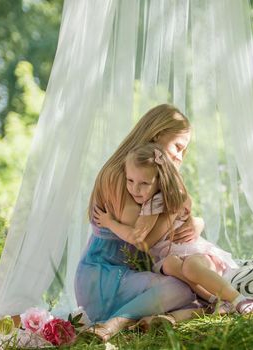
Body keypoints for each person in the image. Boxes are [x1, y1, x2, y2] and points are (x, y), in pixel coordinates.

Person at [75, 104, 205, 341]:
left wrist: (196, 223)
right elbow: (143, 241)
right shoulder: (123, 175)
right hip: (102, 280)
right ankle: (116, 323)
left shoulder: (144, 174)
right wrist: (176, 211)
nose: (179, 156)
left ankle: (145, 321)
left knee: (198, 285)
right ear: (157, 135)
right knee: (182, 288)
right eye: (178, 147)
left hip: (128, 275)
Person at [93, 143, 253, 317]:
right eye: (130, 180)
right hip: (172, 258)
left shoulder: (156, 202)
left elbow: (137, 237)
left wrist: (109, 223)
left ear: (159, 181)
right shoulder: (150, 201)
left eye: (144, 183)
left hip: (196, 254)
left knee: (189, 267)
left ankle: (239, 299)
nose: (135, 189)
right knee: (171, 263)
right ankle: (214, 301)